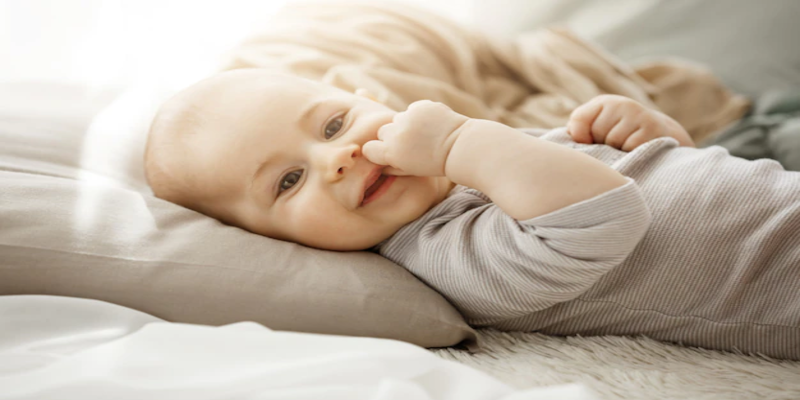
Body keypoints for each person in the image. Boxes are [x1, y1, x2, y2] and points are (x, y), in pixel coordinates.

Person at [145, 68, 800, 360]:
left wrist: (648, 135)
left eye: (334, 122)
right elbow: (606, 218)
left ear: (370, 97)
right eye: (289, 181)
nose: (337, 157)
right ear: (270, 240)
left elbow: (667, 184)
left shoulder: (468, 173)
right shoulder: (442, 257)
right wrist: (460, 140)